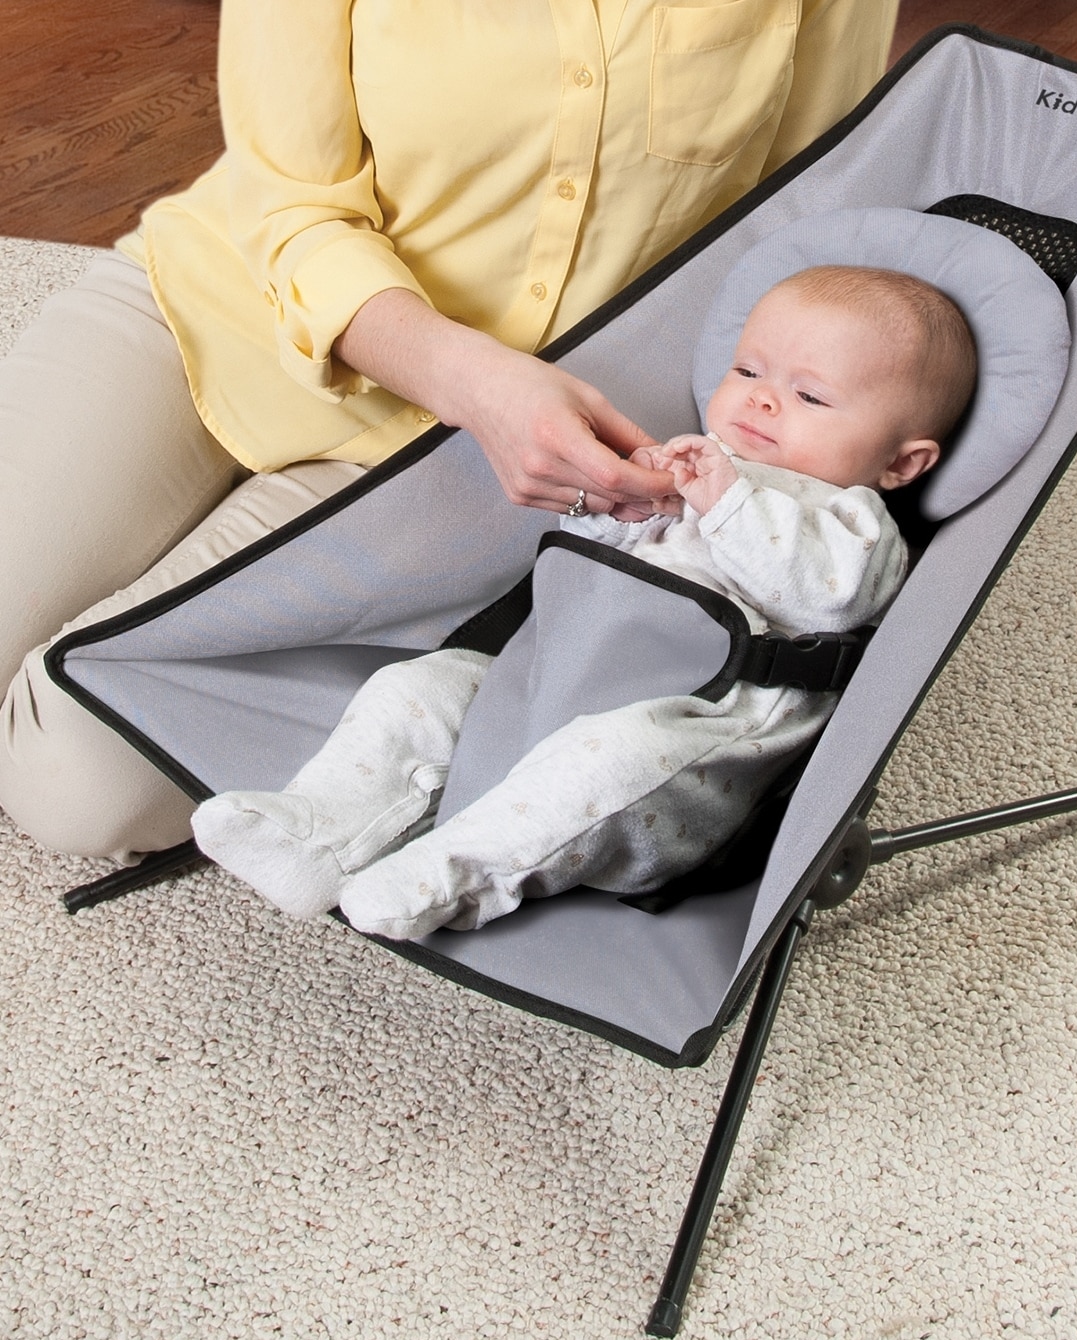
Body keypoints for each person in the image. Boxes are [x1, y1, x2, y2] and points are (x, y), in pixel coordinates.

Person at [0, 1, 898, 865]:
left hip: (454, 468)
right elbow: (288, 203)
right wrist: (477, 384)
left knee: (75, 778)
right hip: (217, 311)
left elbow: (797, 221)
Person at [190, 265, 978, 940]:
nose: (761, 402)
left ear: (901, 463)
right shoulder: (698, 466)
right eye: (747, 373)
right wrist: (617, 504)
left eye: (808, 395)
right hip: (555, 679)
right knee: (417, 688)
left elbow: (826, 598)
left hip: (692, 735)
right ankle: (319, 829)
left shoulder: (853, 522)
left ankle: (453, 876)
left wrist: (726, 500)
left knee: (605, 763)